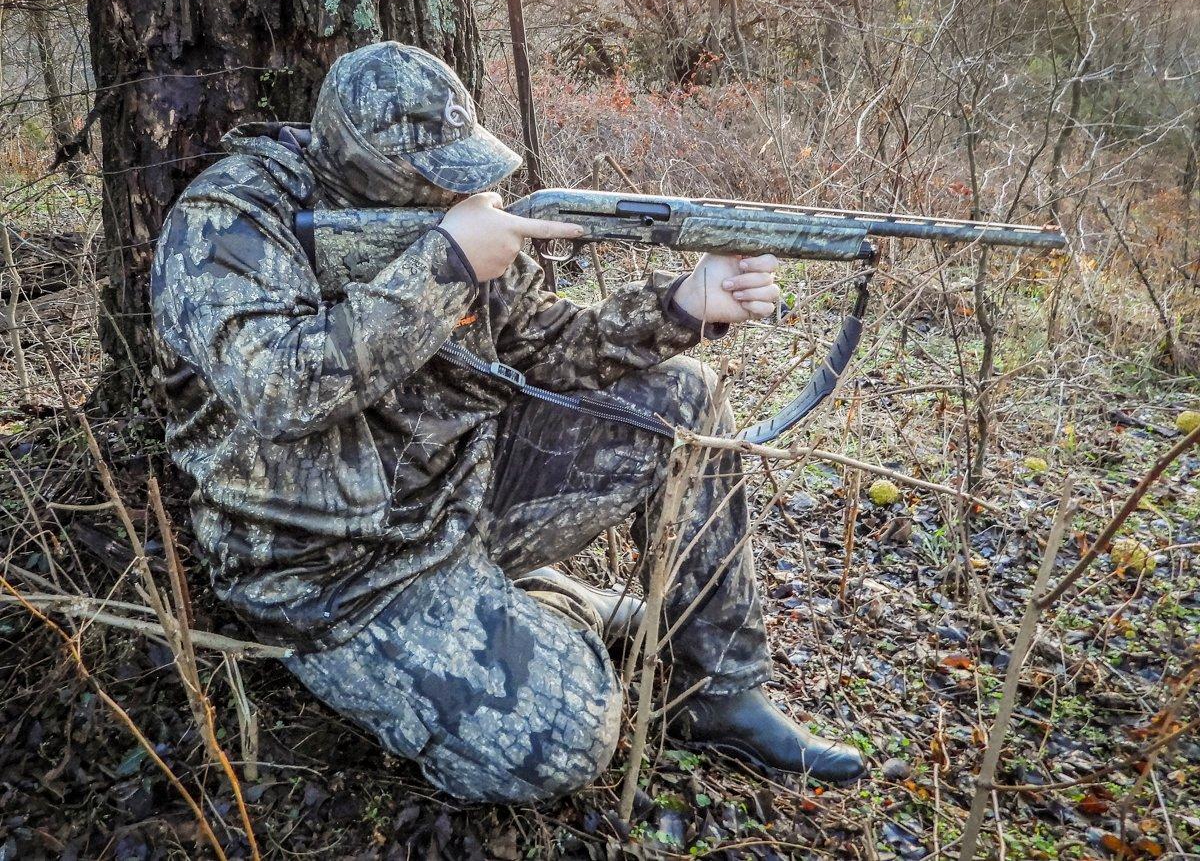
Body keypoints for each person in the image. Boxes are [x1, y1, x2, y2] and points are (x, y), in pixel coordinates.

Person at [150, 41, 865, 804]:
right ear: (362, 164)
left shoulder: (436, 218)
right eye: (432, 178)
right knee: (565, 741)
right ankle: (557, 605)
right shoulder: (228, 220)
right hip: (333, 568)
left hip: (457, 492)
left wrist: (683, 306)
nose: (453, 193)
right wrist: (443, 263)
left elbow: (542, 344)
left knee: (682, 398)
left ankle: (721, 693)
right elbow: (279, 392)